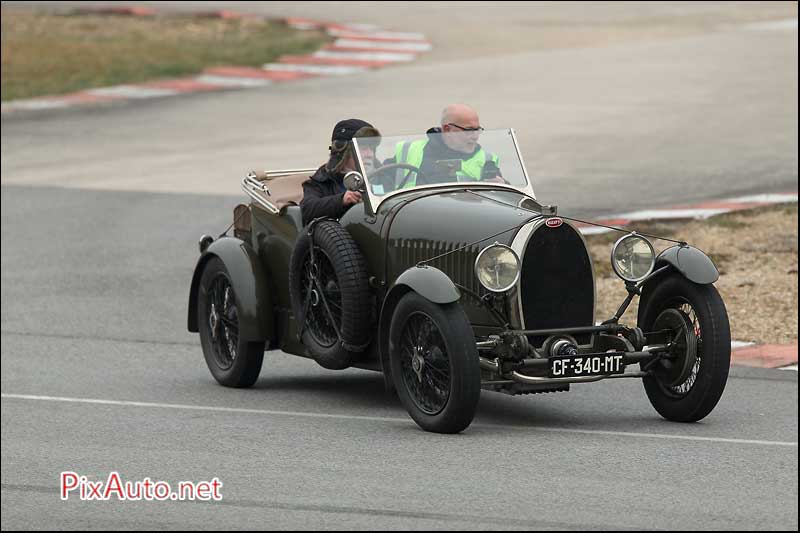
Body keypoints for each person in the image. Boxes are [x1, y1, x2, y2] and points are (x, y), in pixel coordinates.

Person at [392, 104, 501, 187]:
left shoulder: (488, 161)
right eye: (469, 130)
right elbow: (379, 183)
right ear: (447, 129)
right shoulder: (409, 150)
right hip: (410, 215)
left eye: (477, 130)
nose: (475, 136)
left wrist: (502, 185)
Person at [300, 119, 380, 226]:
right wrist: (342, 200)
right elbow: (307, 210)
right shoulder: (323, 181)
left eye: (371, 148)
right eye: (363, 148)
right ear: (344, 152)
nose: (370, 154)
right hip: (343, 237)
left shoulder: (385, 175)